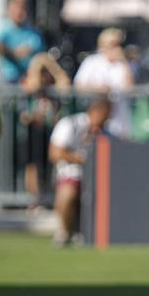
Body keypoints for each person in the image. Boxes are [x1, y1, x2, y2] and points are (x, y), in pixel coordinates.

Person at [49, 96, 112, 246]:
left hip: (99, 176)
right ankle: (65, 232)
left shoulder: (105, 132)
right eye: (105, 116)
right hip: (71, 173)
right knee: (67, 193)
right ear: (97, 112)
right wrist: (81, 159)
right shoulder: (70, 124)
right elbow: (55, 153)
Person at [0, 0, 45, 85]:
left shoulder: (32, 31)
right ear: (9, 11)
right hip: (8, 78)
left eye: (22, 8)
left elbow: (38, 48)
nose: (19, 12)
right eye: (16, 9)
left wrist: (26, 51)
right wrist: (12, 52)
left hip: (28, 78)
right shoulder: (4, 28)